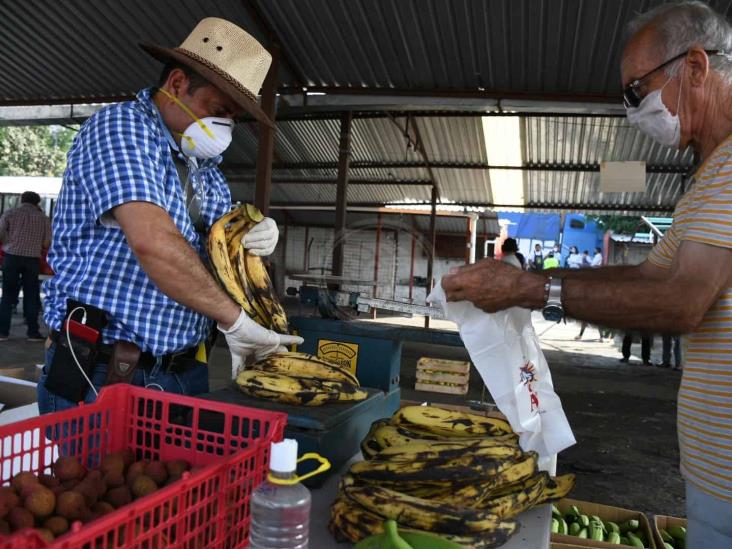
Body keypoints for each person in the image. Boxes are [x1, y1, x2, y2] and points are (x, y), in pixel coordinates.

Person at [441, 3, 732, 544]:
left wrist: (529, 287)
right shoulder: (709, 177)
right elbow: (648, 277)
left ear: (695, 67)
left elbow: (682, 302)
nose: (632, 111)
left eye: (635, 90)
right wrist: (527, 284)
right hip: (714, 472)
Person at [38, 18, 302, 415]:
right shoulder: (122, 129)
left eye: (232, 116)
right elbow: (154, 243)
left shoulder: (205, 169)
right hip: (104, 372)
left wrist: (256, 232)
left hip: (183, 374)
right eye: (218, 109)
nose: (225, 125)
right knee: (99, 478)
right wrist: (235, 322)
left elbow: (220, 251)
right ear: (177, 84)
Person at [0, 191, 51, 341]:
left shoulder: (10, 213)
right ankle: (33, 333)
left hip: (11, 257)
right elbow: (46, 243)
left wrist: (11, 240)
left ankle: (2, 332)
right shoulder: (44, 218)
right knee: (31, 295)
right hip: (32, 261)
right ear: (38, 203)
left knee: (7, 295)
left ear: (22, 200)